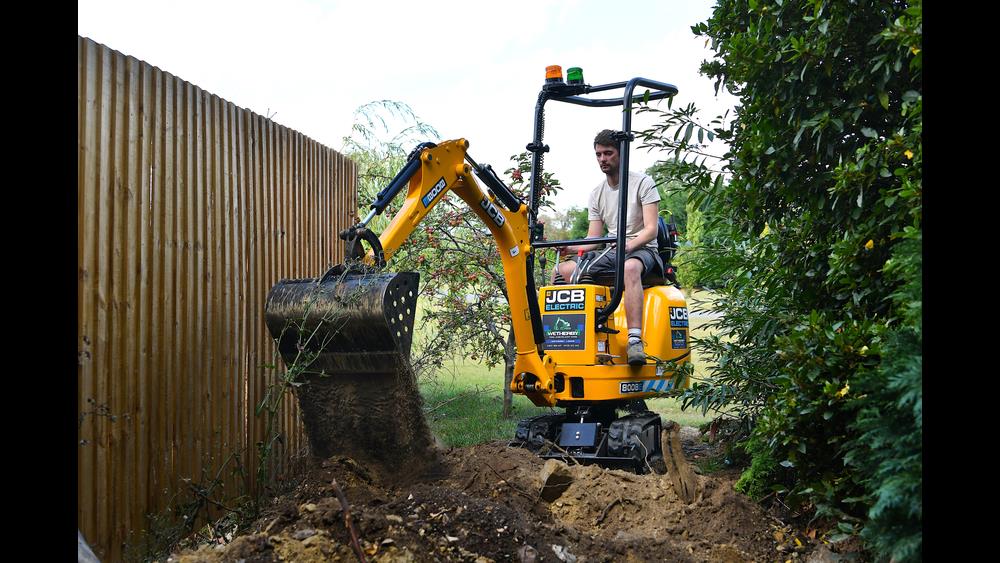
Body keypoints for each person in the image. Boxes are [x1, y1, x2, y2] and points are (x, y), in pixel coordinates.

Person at [553, 129, 662, 366]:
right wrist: (570, 249)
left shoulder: (643, 183)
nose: (603, 159)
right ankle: (562, 338)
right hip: (612, 251)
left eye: (608, 153)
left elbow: (651, 229)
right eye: (598, 154)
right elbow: (593, 238)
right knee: (561, 271)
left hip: (644, 250)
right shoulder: (597, 193)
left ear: (621, 153)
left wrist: (628, 245)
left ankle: (635, 341)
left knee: (630, 268)